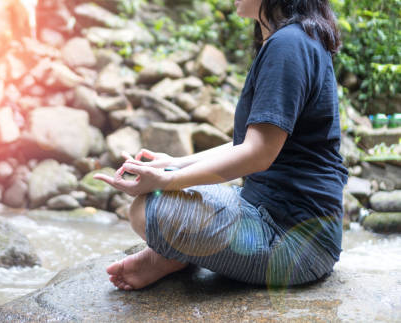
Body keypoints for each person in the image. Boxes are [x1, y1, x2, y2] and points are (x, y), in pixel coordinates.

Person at [94, 0, 348, 291]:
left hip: (294, 243)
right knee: (169, 196)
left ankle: (174, 257)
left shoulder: (289, 44)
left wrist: (170, 179)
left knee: (147, 210)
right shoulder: (295, 39)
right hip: (279, 221)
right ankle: (175, 255)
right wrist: (173, 163)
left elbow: (258, 153)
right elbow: (247, 144)